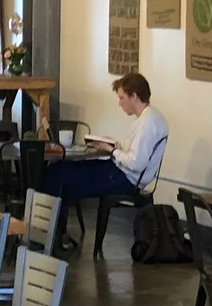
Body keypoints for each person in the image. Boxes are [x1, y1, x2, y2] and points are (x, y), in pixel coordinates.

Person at [39, 72, 169, 206]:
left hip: (123, 179)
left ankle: (47, 224)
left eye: (122, 98)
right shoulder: (152, 117)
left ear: (134, 96)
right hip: (119, 172)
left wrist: (112, 151)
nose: (120, 103)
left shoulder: (147, 123)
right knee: (60, 169)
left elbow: (136, 164)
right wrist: (114, 145)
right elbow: (135, 153)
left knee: (57, 174)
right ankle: (54, 223)